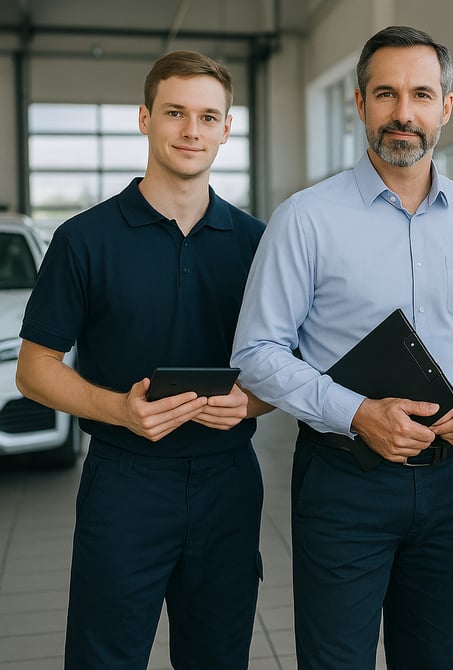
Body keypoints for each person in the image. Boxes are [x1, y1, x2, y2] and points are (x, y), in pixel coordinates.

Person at [230, 25, 453, 670]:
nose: (403, 113)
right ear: (360, 105)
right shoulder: (305, 219)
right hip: (344, 480)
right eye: (385, 94)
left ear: (446, 105)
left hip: (451, 479)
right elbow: (258, 351)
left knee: (433, 657)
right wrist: (358, 413)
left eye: (421, 94)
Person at [15, 51, 269, 669]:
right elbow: (34, 368)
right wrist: (119, 411)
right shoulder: (84, 239)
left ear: (227, 128)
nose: (191, 130)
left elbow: (289, 363)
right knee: (106, 657)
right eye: (176, 113)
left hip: (227, 480)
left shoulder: (260, 243)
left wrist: (255, 400)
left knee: (219, 657)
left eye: (209, 117)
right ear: (144, 118)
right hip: (125, 480)